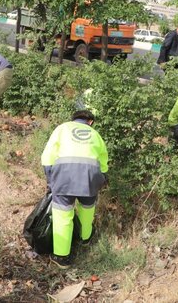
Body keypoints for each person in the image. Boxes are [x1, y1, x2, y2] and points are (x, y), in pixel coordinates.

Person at [41, 110, 108, 268]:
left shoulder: (62, 128)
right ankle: (85, 240)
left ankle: (62, 257)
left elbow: (47, 156)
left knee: (62, 216)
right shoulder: (95, 134)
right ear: (90, 121)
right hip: (90, 177)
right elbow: (103, 161)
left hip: (64, 177)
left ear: (74, 119)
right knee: (87, 210)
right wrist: (103, 179)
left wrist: (51, 182)